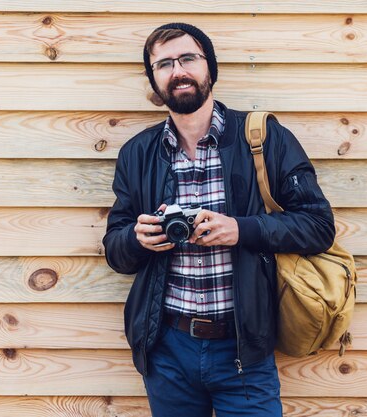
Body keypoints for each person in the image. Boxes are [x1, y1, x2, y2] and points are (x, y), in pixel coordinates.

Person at [103, 22, 335, 417]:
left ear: (209, 66)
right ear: (154, 80)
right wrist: (136, 239)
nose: (178, 71)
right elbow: (115, 252)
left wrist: (240, 230)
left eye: (187, 58)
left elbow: (318, 226)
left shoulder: (264, 137)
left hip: (245, 346)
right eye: (163, 64)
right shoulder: (138, 153)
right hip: (168, 348)